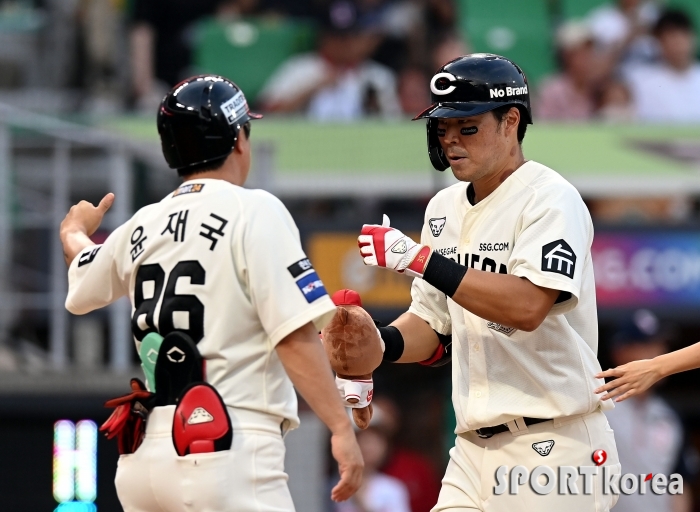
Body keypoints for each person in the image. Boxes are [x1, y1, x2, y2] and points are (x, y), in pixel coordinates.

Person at [59, 75, 363, 511]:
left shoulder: (142, 223)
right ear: (239, 138)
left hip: (146, 459)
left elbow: (84, 277)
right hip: (228, 445)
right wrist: (340, 427)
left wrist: (72, 230)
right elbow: (293, 336)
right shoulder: (255, 210)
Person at [347, 54, 620, 511]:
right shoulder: (442, 208)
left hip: (555, 443)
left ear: (511, 120)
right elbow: (433, 324)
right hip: (471, 451)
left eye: (467, 128)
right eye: (443, 129)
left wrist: (420, 259)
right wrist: (381, 345)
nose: (451, 142)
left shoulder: (550, 198)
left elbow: (528, 307)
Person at [603, 310, 694, 512]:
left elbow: (679, 481)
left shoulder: (670, 415)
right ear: (620, 352)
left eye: (660, 344)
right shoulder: (598, 407)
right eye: (647, 346)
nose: (659, 354)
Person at [258, 0, 401, 121]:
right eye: (337, 37)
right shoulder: (300, 68)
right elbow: (268, 115)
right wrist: (311, 90)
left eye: (350, 37)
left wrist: (375, 106)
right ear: (324, 37)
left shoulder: (378, 77)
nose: (345, 44)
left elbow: (395, 123)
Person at [623, 9, 700, 122]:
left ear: (693, 38)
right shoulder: (639, 81)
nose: (678, 43)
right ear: (659, 43)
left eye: (682, 36)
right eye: (671, 37)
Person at [335, 402, 412, 512]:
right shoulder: (330, 487)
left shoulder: (392, 489)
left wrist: (361, 503)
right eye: (361, 439)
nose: (368, 447)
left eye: (374, 440)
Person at [537, 21, 606, 121]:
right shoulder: (551, 91)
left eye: (590, 50)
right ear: (566, 56)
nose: (589, 57)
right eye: (582, 52)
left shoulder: (602, 89)